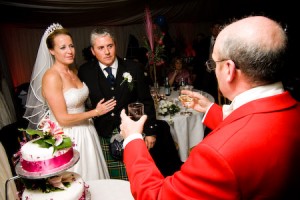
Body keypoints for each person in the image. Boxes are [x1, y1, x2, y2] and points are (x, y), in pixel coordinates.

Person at [119, 16, 300, 199]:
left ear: (229, 69)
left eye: (213, 63)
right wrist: (210, 110)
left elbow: (157, 196)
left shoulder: (216, 154)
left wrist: (133, 139)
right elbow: (258, 127)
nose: (213, 70)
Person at [78, 27, 182, 180]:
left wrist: (151, 131)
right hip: (103, 133)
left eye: (110, 46)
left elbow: (145, 100)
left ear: (115, 45)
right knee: (114, 181)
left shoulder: (133, 68)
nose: (107, 52)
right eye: (101, 48)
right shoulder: (85, 71)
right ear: (93, 51)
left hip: (133, 130)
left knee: (138, 177)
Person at [23, 23, 114, 181]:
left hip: (87, 131)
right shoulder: (51, 77)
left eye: (71, 46)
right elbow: (62, 118)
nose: (69, 51)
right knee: (77, 180)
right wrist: (96, 112)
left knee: (95, 178)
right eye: (63, 47)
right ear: (51, 51)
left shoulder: (74, 71)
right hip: (69, 136)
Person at [193, 21, 222, 104]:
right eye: (214, 27)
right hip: (206, 71)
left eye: (218, 27)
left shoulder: (224, 41)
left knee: (217, 94)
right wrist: (206, 64)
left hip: (219, 72)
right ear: (211, 29)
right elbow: (199, 56)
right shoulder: (204, 41)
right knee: (206, 92)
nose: (216, 30)